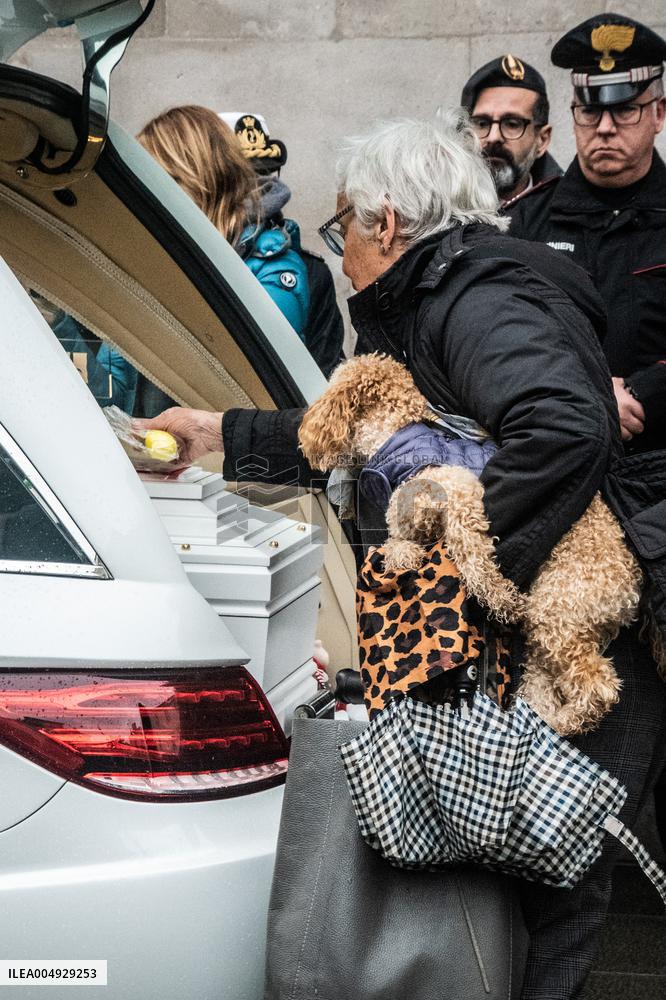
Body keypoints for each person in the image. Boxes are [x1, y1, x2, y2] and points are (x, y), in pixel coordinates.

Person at [143, 113, 666, 1000]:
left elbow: (566, 430)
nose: (338, 242)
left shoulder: (476, 299)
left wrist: (463, 564)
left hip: (584, 630)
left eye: (341, 220)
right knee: (537, 879)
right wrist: (219, 435)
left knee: (557, 883)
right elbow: (381, 438)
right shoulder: (445, 293)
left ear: (385, 221)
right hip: (559, 621)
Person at [508, 13, 666, 454]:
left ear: (659, 112)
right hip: (558, 459)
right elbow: (504, 341)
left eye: (624, 109)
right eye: (591, 110)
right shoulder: (524, 223)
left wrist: (639, 395)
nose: (605, 127)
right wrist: (590, 396)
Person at [138, 105, 310, 340]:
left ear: (195, 183)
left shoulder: (272, 272)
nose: (147, 196)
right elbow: (114, 369)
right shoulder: (174, 252)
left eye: (158, 180)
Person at [219, 111, 345, 377]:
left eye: (264, 175)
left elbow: (326, 376)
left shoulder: (311, 273)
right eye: (244, 179)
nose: (259, 189)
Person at [461, 54, 562, 207]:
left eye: (512, 124)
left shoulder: (567, 211)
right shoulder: (434, 210)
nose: (494, 137)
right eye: (482, 123)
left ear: (542, 140)